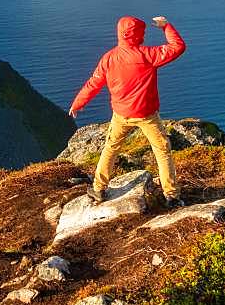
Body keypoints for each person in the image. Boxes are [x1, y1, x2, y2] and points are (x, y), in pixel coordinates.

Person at [68, 15, 187, 206]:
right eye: (143, 32)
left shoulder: (109, 58)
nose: (145, 35)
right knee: (162, 150)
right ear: (138, 34)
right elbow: (178, 47)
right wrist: (166, 27)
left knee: (111, 148)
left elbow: (93, 84)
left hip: (121, 115)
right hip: (147, 116)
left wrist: (78, 103)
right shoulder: (147, 55)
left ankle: (99, 188)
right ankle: (171, 196)